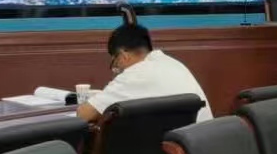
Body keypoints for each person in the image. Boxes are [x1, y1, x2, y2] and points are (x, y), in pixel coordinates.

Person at [77, 23, 213, 123]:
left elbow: (83, 114)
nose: (116, 69)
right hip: (201, 146)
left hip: (176, 149)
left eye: (115, 63)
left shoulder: (132, 76)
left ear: (123, 56)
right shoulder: (172, 63)